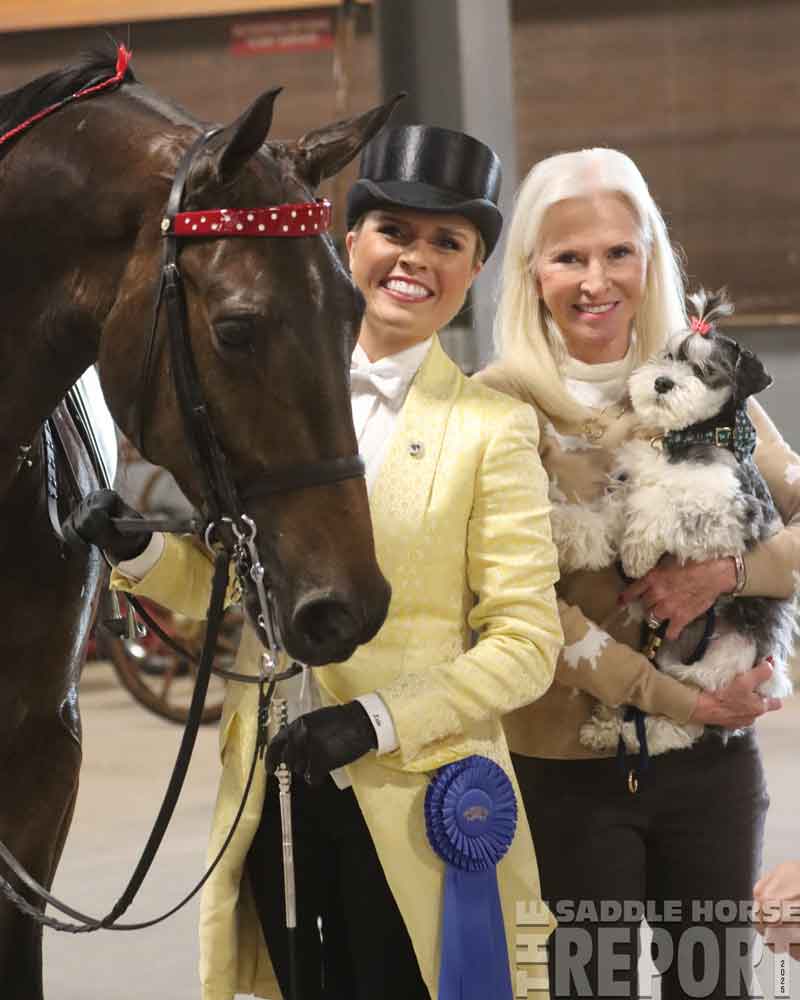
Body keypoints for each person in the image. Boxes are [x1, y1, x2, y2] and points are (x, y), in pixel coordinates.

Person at [69, 125, 564, 1000]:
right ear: (349, 246)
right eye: (393, 232)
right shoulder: (272, 398)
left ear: (475, 270)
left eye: (446, 242)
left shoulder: (493, 430)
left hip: (423, 806)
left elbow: (526, 642)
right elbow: (242, 579)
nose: (415, 258)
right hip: (272, 794)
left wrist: (374, 719)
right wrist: (143, 549)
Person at [477, 146, 800, 999]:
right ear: (531, 271)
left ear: (649, 256)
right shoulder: (498, 404)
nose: (596, 279)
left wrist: (729, 571)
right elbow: (523, 609)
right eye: (569, 257)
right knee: (593, 990)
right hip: (562, 771)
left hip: (714, 769)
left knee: (718, 987)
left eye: (618, 251)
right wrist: (684, 700)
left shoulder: (707, 380)